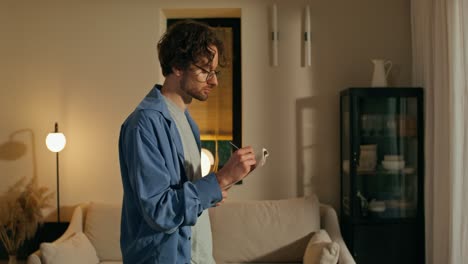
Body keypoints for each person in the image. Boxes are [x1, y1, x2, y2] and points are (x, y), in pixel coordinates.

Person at [118, 20, 256, 264]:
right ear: (177, 67)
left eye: (215, 72)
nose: (214, 81)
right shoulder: (144, 124)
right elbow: (160, 211)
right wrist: (220, 179)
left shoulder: (188, 122)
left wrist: (216, 190)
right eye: (205, 70)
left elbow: (184, 198)